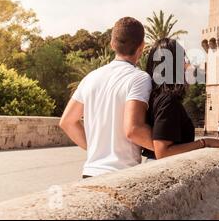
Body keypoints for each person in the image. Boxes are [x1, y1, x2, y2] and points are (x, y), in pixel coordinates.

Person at [59, 17, 154, 179]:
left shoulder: (91, 77)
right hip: (122, 175)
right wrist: (166, 148)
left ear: (112, 44)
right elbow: (133, 130)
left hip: (89, 173)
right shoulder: (139, 78)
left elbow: (67, 122)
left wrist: (95, 150)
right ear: (142, 47)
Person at [142, 39, 219, 161]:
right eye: (183, 60)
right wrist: (204, 142)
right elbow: (163, 152)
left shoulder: (152, 96)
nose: (187, 65)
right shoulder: (167, 100)